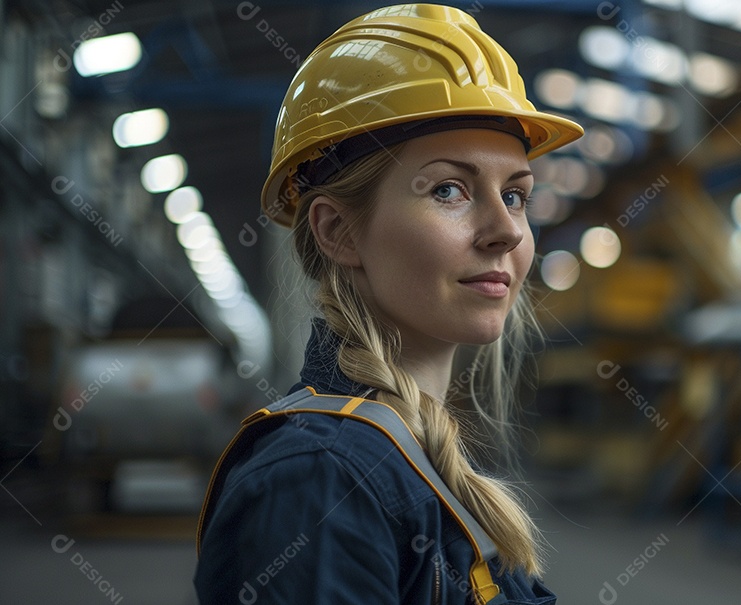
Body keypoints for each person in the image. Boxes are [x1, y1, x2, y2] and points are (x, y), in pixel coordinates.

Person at [194, 4, 582, 604]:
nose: (505, 229)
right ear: (338, 232)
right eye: (449, 189)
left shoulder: (407, 457)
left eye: (515, 194)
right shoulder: (319, 480)